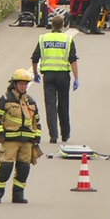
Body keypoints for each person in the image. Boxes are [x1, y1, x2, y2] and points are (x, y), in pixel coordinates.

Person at [0, 69, 42, 204]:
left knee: (24, 169)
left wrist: (37, 137)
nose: (23, 86)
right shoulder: (5, 99)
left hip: (27, 142)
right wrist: (0, 133)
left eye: (25, 84)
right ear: (14, 84)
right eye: (21, 84)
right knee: (6, 167)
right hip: (10, 141)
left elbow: (36, 121)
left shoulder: (30, 101)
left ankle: (18, 195)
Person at [31, 14, 80, 144]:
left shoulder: (43, 38)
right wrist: (76, 78)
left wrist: (35, 73)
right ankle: (65, 134)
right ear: (63, 25)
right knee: (64, 105)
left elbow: (35, 58)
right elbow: (73, 60)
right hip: (64, 76)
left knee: (50, 105)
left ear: (51, 25)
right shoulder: (67, 40)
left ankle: (53, 135)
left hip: (48, 76)